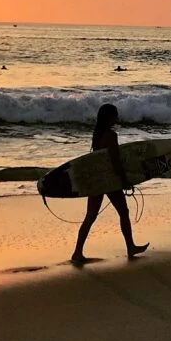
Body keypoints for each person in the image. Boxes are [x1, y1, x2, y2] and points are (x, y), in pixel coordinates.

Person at [71, 104, 149, 264]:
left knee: (90, 216)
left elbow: (98, 158)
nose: (117, 118)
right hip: (109, 180)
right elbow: (115, 161)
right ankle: (130, 247)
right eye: (115, 115)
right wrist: (124, 180)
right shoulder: (111, 135)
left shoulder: (97, 134)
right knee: (123, 212)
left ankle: (77, 252)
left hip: (96, 179)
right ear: (108, 117)